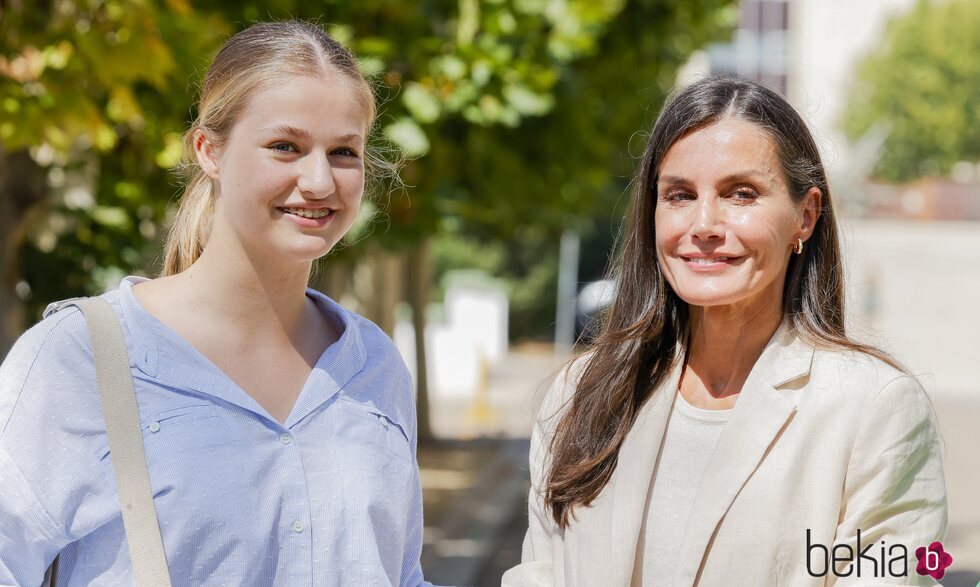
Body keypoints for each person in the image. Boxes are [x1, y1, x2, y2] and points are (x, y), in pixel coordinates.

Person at [0, 21, 431, 586]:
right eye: (286, 146)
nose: (320, 180)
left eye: (344, 151)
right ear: (208, 149)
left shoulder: (374, 366)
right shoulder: (79, 358)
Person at [503, 76, 947, 586]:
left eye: (741, 194)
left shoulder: (875, 409)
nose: (705, 223)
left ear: (806, 216)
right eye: (679, 195)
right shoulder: (579, 395)